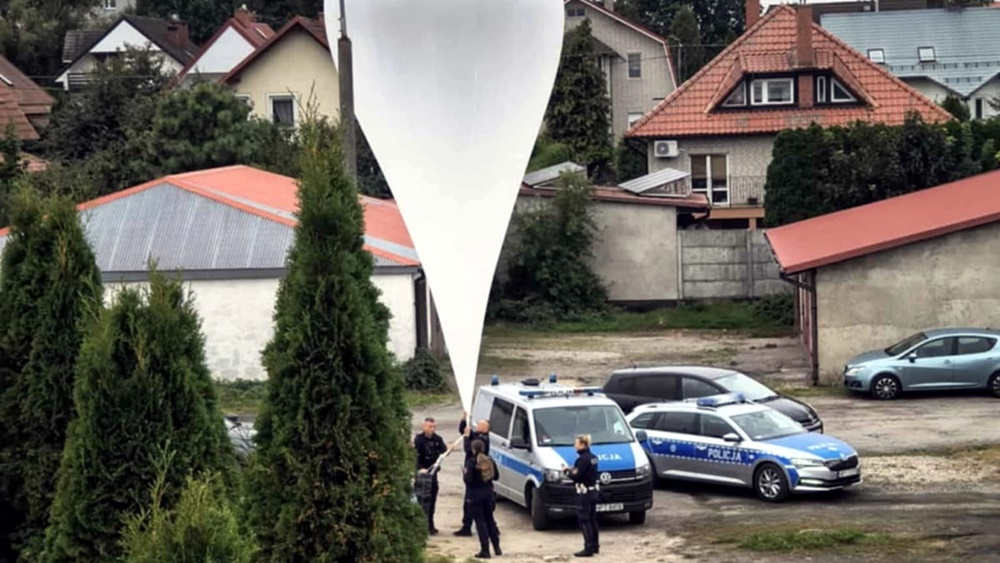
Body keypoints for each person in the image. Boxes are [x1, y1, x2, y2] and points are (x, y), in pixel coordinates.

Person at [562, 434, 599, 557]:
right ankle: (595, 545)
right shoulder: (593, 458)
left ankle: (588, 548)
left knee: (584, 520)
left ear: (582, 445)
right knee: (592, 519)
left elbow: (577, 476)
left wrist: (567, 472)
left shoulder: (582, 459)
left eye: (576, 444)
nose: (575, 446)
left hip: (584, 493)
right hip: (594, 491)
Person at [454, 414, 491, 536]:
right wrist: (464, 420)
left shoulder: (483, 439)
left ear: (485, 428)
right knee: (470, 503)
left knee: (471, 503)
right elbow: (464, 431)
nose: (477, 426)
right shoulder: (477, 435)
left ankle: (469, 526)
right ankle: (467, 525)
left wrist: (466, 437)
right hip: (473, 477)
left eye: (480, 425)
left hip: (475, 478)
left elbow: (468, 449)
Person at [464, 438, 501, 559]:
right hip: (488, 493)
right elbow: (496, 476)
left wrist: (465, 474)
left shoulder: (471, 462)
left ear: (473, 449)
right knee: (490, 520)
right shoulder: (489, 460)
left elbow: (468, 480)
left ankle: (485, 550)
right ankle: (497, 547)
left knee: (480, 523)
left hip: (475, 495)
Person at [413, 416, 449, 534]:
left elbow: (444, 452)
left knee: (432, 500)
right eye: (429, 427)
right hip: (422, 474)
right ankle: (421, 526)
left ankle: (430, 525)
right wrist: (419, 468)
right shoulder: (419, 440)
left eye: (433, 427)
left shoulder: (437, 439)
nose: (432, 429)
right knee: (422, 500)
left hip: (433, 474)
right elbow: (414, 456)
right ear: (424, 427)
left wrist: (449, 449)